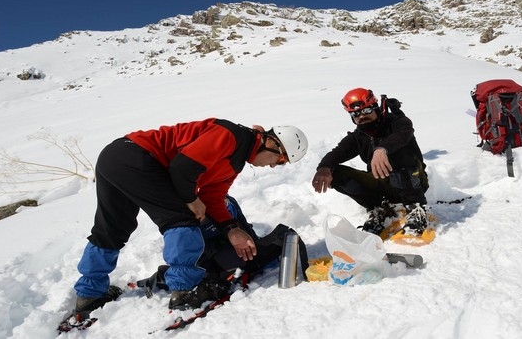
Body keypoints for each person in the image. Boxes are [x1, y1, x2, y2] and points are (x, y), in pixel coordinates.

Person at [71, 118, 308, 317]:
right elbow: (182, 168)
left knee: (112, 228)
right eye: (281, 159)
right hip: (136, 156)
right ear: (270, 142)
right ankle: (186, 290)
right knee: (182, 219)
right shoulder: (230, 135)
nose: (276, 166)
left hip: (115, 158)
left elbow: (213, 197)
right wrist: (190, 200)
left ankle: (90, 294)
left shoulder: (235, 161)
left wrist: (231, 229)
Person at [135, 195, 307, 308]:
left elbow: (247, 240)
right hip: (202, 248)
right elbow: (184, 251)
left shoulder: (222, 205)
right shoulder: (180, 219)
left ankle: (187, 277)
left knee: (245, 257)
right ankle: (180, 278)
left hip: (224, 241)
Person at [311, 88, 429, 237]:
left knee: (396, 152)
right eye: (355, 114)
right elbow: (338, 152)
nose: (361, 116)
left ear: (375, 107)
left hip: (414, 182)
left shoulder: (397, 122)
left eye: (366, 110)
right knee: (335, 172)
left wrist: (383, 149)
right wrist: (324, 167)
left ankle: (415, 207)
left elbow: (403, 134)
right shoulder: (358, 137)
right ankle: (380, 208)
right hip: (384, 185)